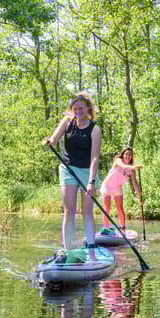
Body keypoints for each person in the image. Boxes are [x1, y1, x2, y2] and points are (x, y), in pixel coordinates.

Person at [43, 92, 102, 252]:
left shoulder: (95, 129)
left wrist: (91, 182)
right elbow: (54, 139)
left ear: (88, 109)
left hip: (87, 170)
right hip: (68, 168)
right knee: (69, 211)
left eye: (81, 108)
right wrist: (50, 141)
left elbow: (95, 158)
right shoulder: (67, 122)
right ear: (72, 109)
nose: (78, 111)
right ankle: (68, 248)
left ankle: (91, 245)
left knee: (87, 212)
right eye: (75, 108)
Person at [99, 148, 143, 232]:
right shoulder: (118, 160)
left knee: (120, 208)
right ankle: (106, 228)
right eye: (126, 154)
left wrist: (140, 196)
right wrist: (134, 166)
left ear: (131, 157)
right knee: (107, 207)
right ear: (123, 155)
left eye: (130, 154)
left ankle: (123, 228)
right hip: (107, 186)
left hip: (117, 187)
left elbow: (135, 184)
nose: (128, 156)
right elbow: (123, 166)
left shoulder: (132, 171)